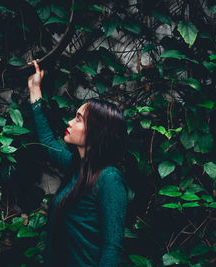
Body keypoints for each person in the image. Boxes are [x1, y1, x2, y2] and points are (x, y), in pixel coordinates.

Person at [27, 60, 128, 266]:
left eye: (79, 119)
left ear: (98, 131)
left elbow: (113, 249)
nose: (70, 122)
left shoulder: (109, 178)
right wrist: (35, 88)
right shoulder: (77, 167)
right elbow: (47, 142)